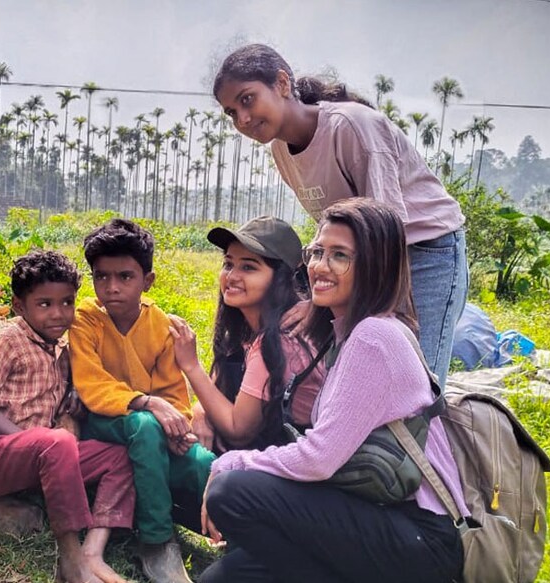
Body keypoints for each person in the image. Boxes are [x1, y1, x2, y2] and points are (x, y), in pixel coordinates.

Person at [198, 198, 467, 582]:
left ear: (374, 265)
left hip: (419, 537)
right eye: (317, 252)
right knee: (221, 579)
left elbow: (319, 459)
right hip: (374, 512)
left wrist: (232, 462)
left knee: (231, 491)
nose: (320, 266)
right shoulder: (347, 333)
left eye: (340, 256)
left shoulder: (374, 337)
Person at [213, 43, 469, 386]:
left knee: (417, 380)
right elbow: (334, 228)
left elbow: (387, 230)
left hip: (422, 252)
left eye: (247, 99)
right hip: (363, 258)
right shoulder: (281, 150)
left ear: (282, 83)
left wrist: (321, 305)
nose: (242, 119)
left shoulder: (351, 126)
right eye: (231, 112)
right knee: (361, 372)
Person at [0, 250, 134, 583]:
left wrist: (70, 409)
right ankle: (71, 556)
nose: (58, 314)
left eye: (67, 302)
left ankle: (94, 548)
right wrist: (31, 441)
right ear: (19, 306)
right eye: (44, 304)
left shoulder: (61, 347)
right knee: (56, 442)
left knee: (119, 457)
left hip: (47, 458)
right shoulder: (9, 340)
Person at [69, 218, 215, 583]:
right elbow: (91, 384)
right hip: (102, 422)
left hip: (150, 429)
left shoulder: (161, 326)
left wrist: (177, 428)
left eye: (125, 276)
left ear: (147, 281)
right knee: (145, 426)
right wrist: (147, 403)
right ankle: (156, 540)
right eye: (102, 276)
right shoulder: (85, 319)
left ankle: (242, 530)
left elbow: (173, 395)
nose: (112, 287)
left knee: (202, 463)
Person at [168, 216, 325, 453]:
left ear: (282, 279)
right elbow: (216, 390)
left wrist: (191, 366)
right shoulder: (246, 333)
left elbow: (238, 431)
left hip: (291, 461)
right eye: (228, 264)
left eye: (249, 267)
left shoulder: (280, 340)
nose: (232, 276)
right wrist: (200, 411)